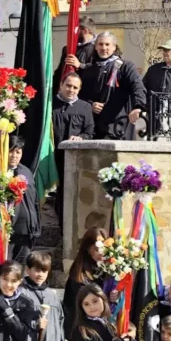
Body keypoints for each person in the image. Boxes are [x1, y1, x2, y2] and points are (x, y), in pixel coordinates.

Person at [78, 32, 146, 140]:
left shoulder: (125, 66)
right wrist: (90, 104)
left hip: (117, 127)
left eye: (107, 44)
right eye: (100, 44)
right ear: (95, 46)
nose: (103, 48)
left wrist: (138, 107)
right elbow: (80, 94)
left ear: (114, 47)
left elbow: (137, 86)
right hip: (92, 128)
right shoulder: (88, 70)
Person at [52, 72, 95, 214]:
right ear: (61, 85)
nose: (71, 90)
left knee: (67, 192)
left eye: (75, 88)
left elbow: (89, 132)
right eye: (68, 86)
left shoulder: (84, 107)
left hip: (72, 157)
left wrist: (81, 138)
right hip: (51, 155)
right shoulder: (50, 104)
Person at [63, 227, 114, 336]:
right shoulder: (79, 273)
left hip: (102, 324)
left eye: (105, 250)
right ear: (87, 249)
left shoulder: (109, 268)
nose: (101, 254)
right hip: (82, 328)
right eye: (97, 250)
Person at [6, 137, 40, 266]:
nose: (14, 156)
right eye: (11, 151)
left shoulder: (26, 171)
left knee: (21, 268)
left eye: (18, 152)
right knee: (6, 267)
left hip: (26, 230)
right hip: (8, 231)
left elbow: (33, 201)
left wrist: (35, 226)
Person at [53, 20, 97, 93]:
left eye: (76, 30)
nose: (73, 33)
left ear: (85, 31)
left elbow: (97, 71)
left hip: (84, 92)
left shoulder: (97, 49)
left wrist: (80, 65)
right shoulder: (68, 48)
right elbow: (60, 70)